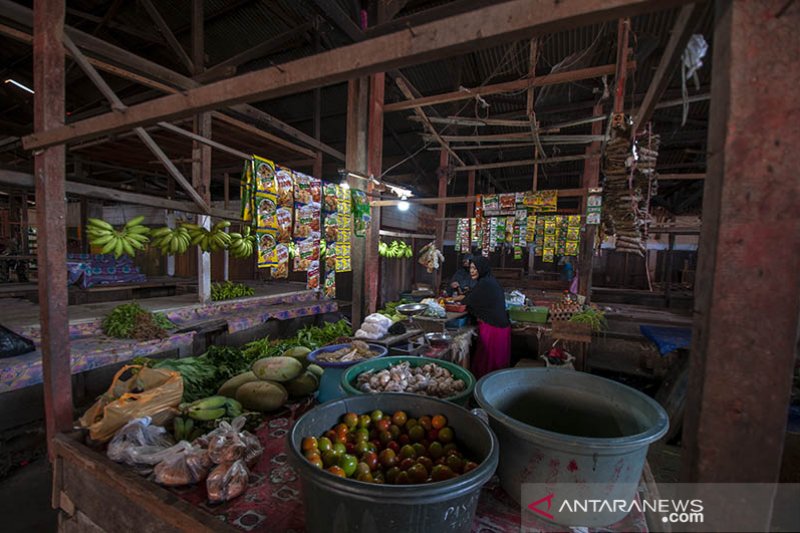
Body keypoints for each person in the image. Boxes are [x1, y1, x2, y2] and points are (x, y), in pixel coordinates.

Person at [461, 256, 511, 378]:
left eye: (474, 268)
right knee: (494, 362)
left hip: (493, 329)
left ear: (481, 268)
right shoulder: (487, 281)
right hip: (499, 327)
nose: (472, 271)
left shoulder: (485, 283)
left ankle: (484, 388)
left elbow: (468, 301)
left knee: (488, 361)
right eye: (471, 268)